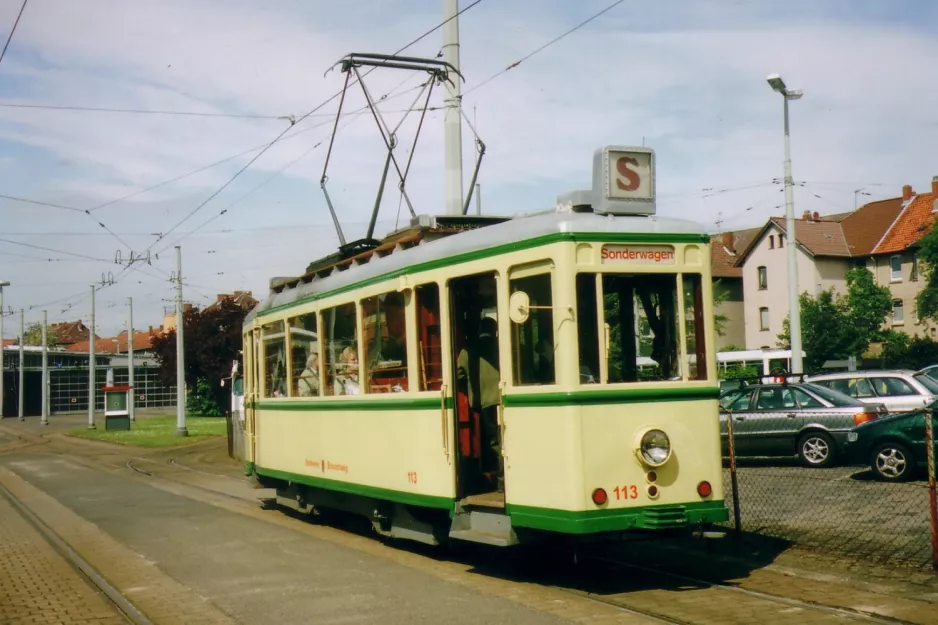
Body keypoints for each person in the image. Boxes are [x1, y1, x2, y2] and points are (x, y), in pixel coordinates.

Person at [457, 316, 502, 491]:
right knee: (505, 439)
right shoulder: (502, 346)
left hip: (485, 402)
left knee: (493, 442)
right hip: (504, 398)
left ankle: (499, 482)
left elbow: (459, 374)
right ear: (494, 330)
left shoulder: (468, 351)